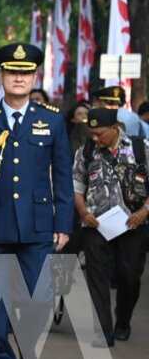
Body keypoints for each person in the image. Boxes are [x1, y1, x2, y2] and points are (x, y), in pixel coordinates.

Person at [0, 43, 73, 359]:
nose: (18, 78)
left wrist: (63, 223)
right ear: (1, 76)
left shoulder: (52, 120)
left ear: (34, 77)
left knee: (38, 299)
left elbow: (62, 175)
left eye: (25, 72)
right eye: (12, 72)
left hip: (37, 224)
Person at [73, 108, 149, 345]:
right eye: (91, 133)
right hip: (96, 225)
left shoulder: (140, 149)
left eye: (100, 134)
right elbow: (77, 186)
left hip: (133, 225)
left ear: (115, 128)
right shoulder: (86, 151)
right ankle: (104, 331)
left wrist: (144, 211)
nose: (95, 139)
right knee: (97, 277)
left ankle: (123, 321)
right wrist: (84, 213)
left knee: (129, 276)